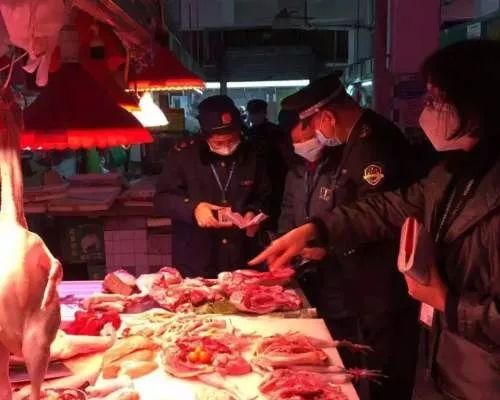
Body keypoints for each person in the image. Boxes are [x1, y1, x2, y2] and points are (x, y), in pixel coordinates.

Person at [250, 39, 500, 400]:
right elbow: (387, 208)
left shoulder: (377, 143)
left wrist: (446, 301)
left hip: (473, 362)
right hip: (457, 361)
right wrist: (316, 229)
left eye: (436, 100)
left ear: (478, 104)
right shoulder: (450, 173)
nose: (425, 111)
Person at [276, 72, 424, 400]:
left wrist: (324, 239)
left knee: (388, 370)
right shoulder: (357, 140)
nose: (318, 135)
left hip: (385, 284)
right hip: (365, 282)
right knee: (369, 366)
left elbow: (377, 215)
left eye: (315, 126)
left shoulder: (373, 143)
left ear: (327, 117)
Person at [154, 95, 271, 278]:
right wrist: (193, 208)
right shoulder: (183, 155)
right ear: (204, 134)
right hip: (197, 258)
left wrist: (253, 212)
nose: (227, 146)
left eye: (232, 139)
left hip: (241, 254)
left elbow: (265, 195)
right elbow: (162, 199)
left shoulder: (253, 154)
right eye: (219, 142)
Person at [245, 99, 292, 230]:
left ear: (264, 113)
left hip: (275, 177)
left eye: (257, 113)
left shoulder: (275, 132)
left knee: (274, 213)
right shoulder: (248, 133)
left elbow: (284, 156)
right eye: (252, 113)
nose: (254, 116)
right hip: (256, 178)